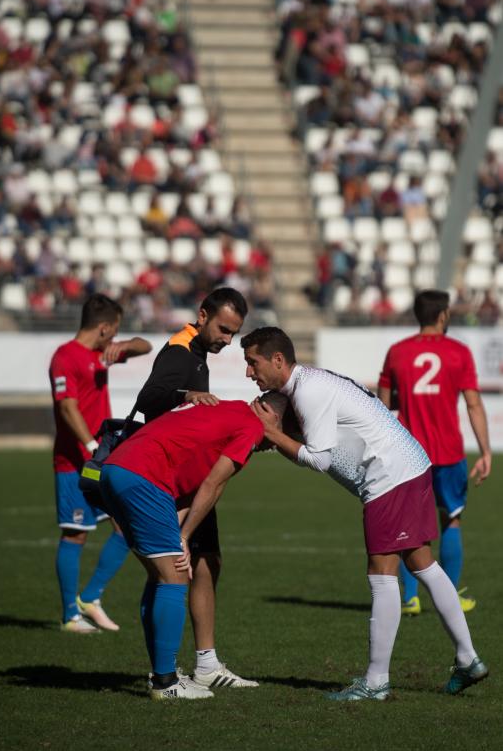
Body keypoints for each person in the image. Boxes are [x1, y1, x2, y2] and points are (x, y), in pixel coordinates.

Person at [241, 326, 488, 700]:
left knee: (382, 573)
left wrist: (273, 436)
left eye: (252, 362)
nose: (249, 372)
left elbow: (320, 460)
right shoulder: (307, 383)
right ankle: (468, 659)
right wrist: (275, 436)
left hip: (388, 477)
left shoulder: (308, 391)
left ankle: (376, 682)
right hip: (409, 464)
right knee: (422, 564)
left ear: (278, 360)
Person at [99, 394, 285, 700]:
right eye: (284, 432)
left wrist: (180, 533)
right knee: (174, 576)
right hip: (144, 474)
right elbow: (214, 485)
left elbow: (192, 488)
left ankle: (163, 673)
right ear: (271, 416)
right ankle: (166, 682)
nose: (277, 443)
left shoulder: (227, 410)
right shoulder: (251, 426)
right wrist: (184, 537)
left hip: (117, 469)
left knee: (159, 576)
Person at [134, 287, 257, 688]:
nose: (228, 339)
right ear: (202, 316)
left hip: (188, 480)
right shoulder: (180, 352)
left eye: (234, 333)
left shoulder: (197, 354)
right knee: (170, 572)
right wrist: (187, 394)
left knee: (208, 562)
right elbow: (149, 397)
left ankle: (206, 663)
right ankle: (165, 671)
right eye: (224, 329)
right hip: (167, 481)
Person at [377, 290, 491, 616]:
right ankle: (449, 598)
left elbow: (383, 408)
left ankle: (410, 598)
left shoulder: (397, 352)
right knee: (450, 519)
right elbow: (472, 403)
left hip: (408, 454)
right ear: (443, 315)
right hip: (449, 453)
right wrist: (485, 451)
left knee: (407, 527)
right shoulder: (459, 352)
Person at [49, 294, 152, 633]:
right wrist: (92, 445)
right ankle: (69, 616)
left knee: (126, 527)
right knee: (76, 534)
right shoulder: (65, 357)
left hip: (97, 460)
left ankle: (90, 597)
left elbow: (145, 345)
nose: (115, 335)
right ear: (104, 327)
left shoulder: (100, 353)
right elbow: (67, 407)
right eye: (115, 330)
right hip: (73, 461)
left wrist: (122, 345)